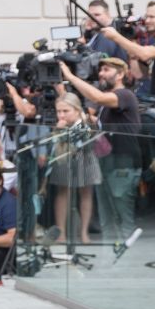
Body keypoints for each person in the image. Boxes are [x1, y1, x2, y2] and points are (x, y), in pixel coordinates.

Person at [65, 56, 143, 254]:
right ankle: (110, 260)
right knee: (107, 218)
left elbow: (98, 98)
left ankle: (130, 261)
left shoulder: (124, 95)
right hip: (106, 163)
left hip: (122, 164)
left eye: (106, 69)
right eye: (100, 70)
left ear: (121, 74)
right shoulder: (106, 104)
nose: (101, 74)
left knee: (123, 217)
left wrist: (70, 77)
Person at [101, 0, 155, 100]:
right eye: (146, 16)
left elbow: (145, 54)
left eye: (152, 17)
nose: (147, 21)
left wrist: (116, 37)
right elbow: (139, 74)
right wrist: (132, 42)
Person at [44, 94, 100, 245]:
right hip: (64, 159)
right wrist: (59, 131)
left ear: (76, 110)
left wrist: (61, 133)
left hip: (85, 158)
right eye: (59, 111)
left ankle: (84, 232)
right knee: (63, 193)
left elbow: (85, 142)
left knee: (86, 194)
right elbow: (52, 145)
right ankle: (61, 232)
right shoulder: (60, 125)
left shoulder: (86, 123)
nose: (61, 115)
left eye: (65, 111)